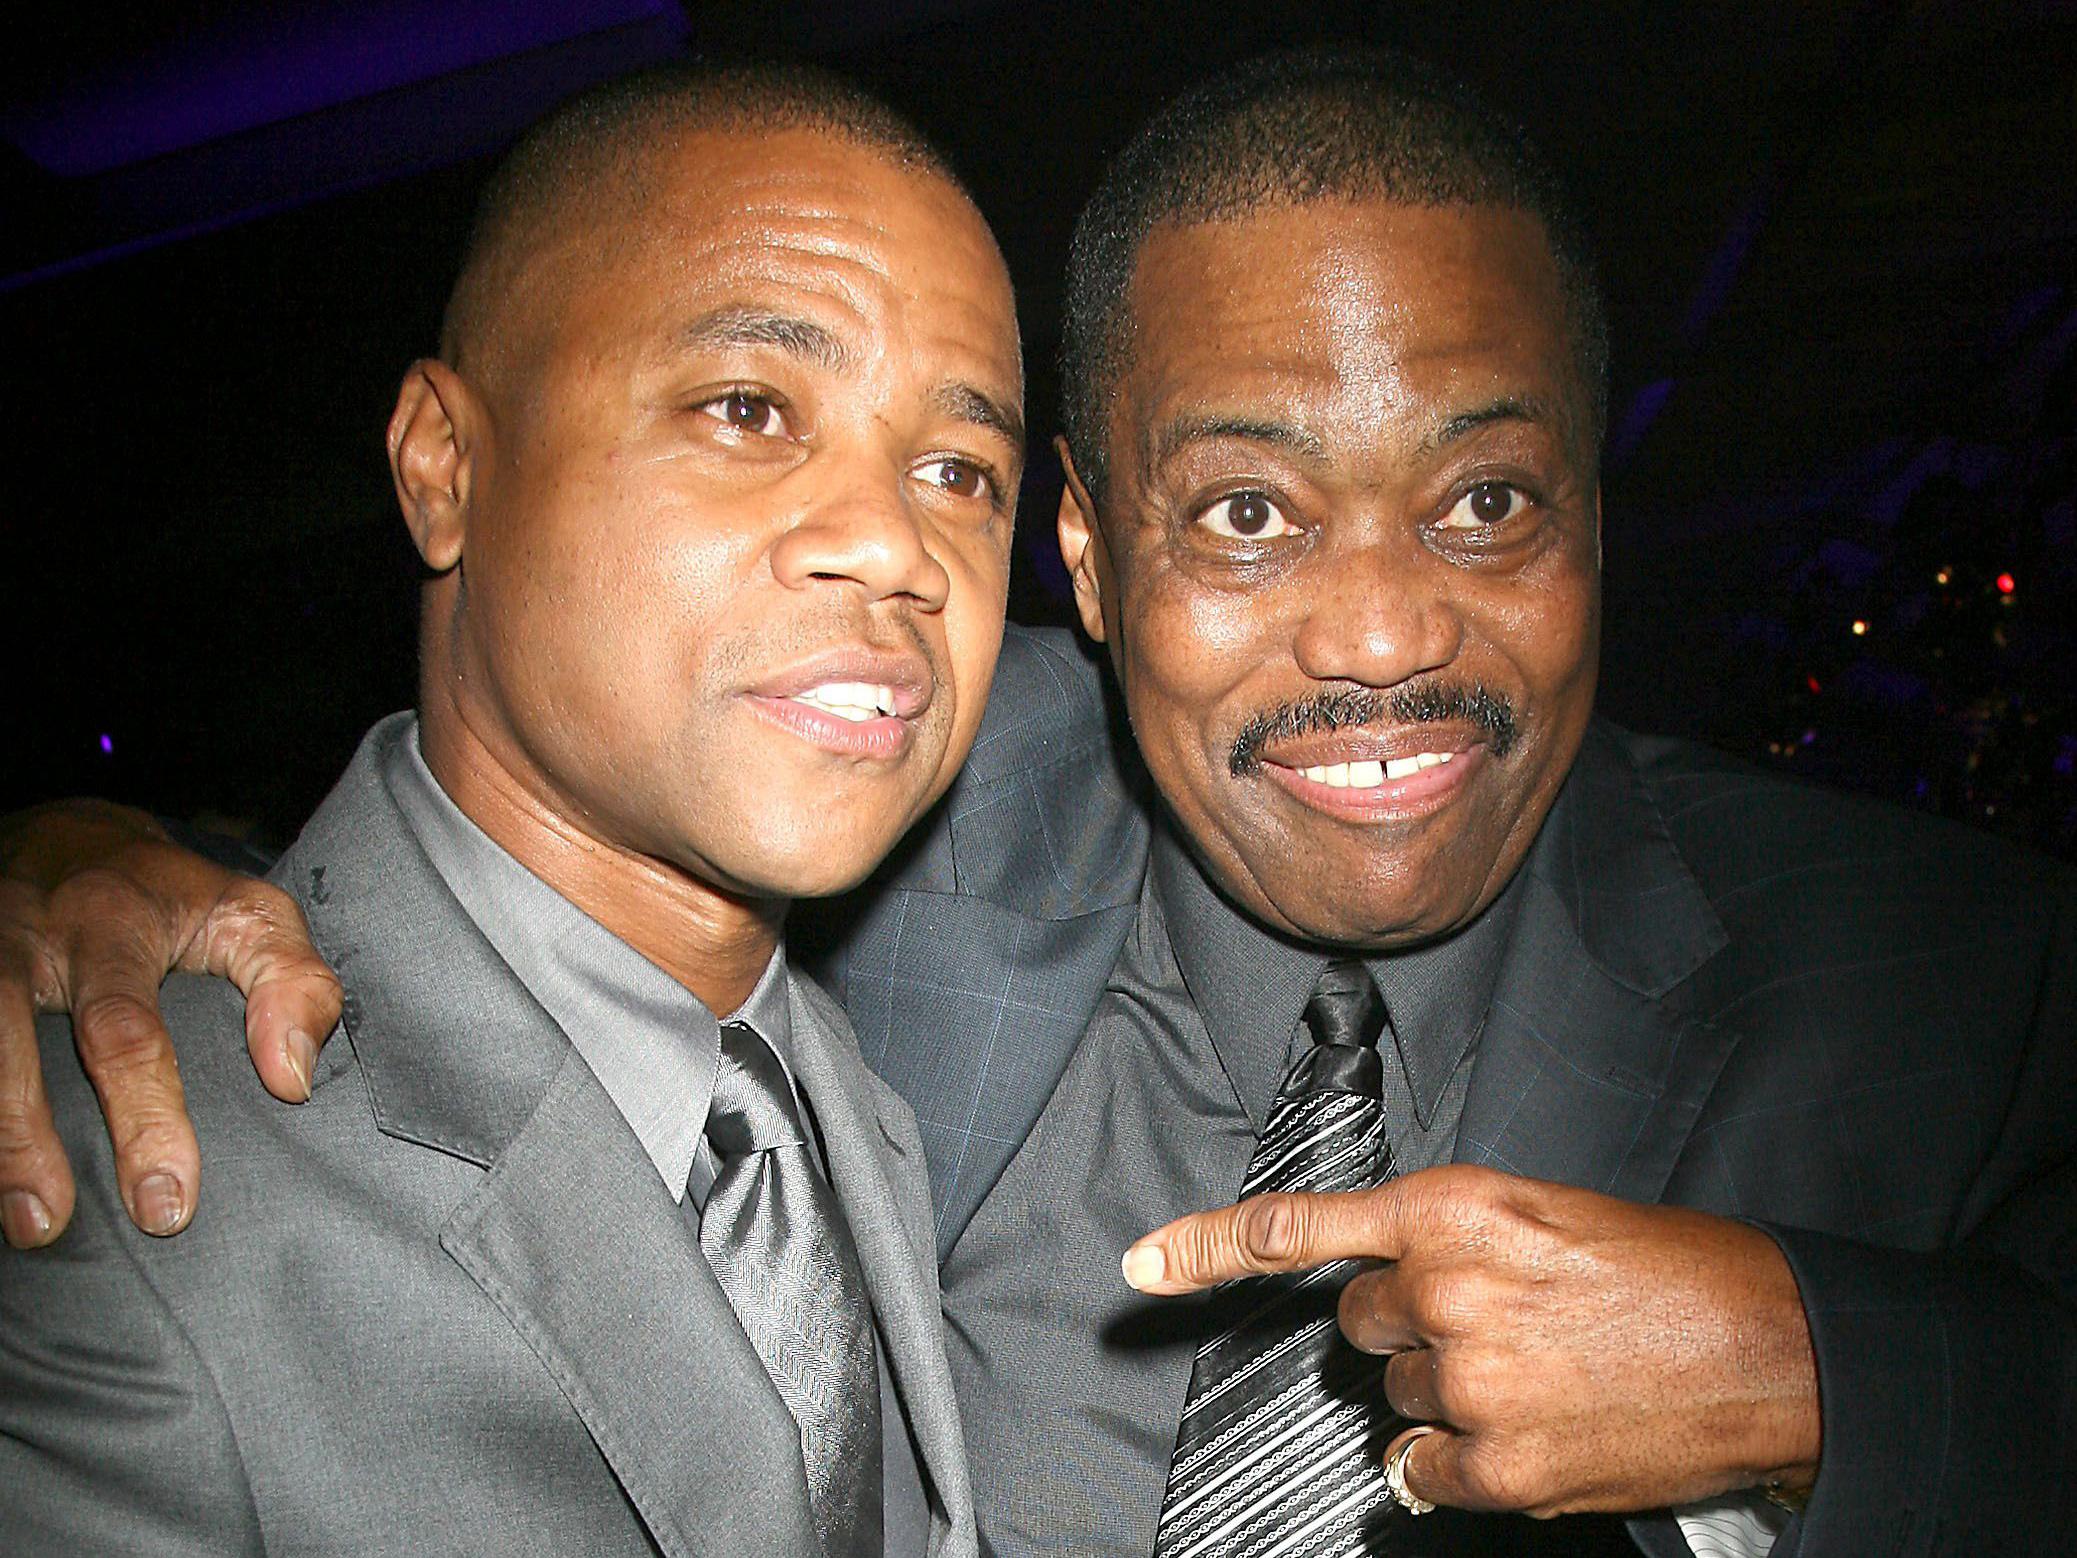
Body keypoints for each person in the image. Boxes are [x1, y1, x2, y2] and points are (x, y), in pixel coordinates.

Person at [5, 46, 2073, 1558]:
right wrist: (74, 866)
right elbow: (474, 898)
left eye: (1485, 500)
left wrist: (1840, 1383)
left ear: (1603, 527)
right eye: (1247, 510)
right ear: (1086, 561)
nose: (1374, 632)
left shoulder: (1959, 976)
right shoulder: (885, 804)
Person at [0, 60, 1035, 1557]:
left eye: (958, 467)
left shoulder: (849, 1099)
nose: (896, 543)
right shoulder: (115, 1187)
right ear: (445, 467)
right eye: (749, 407)